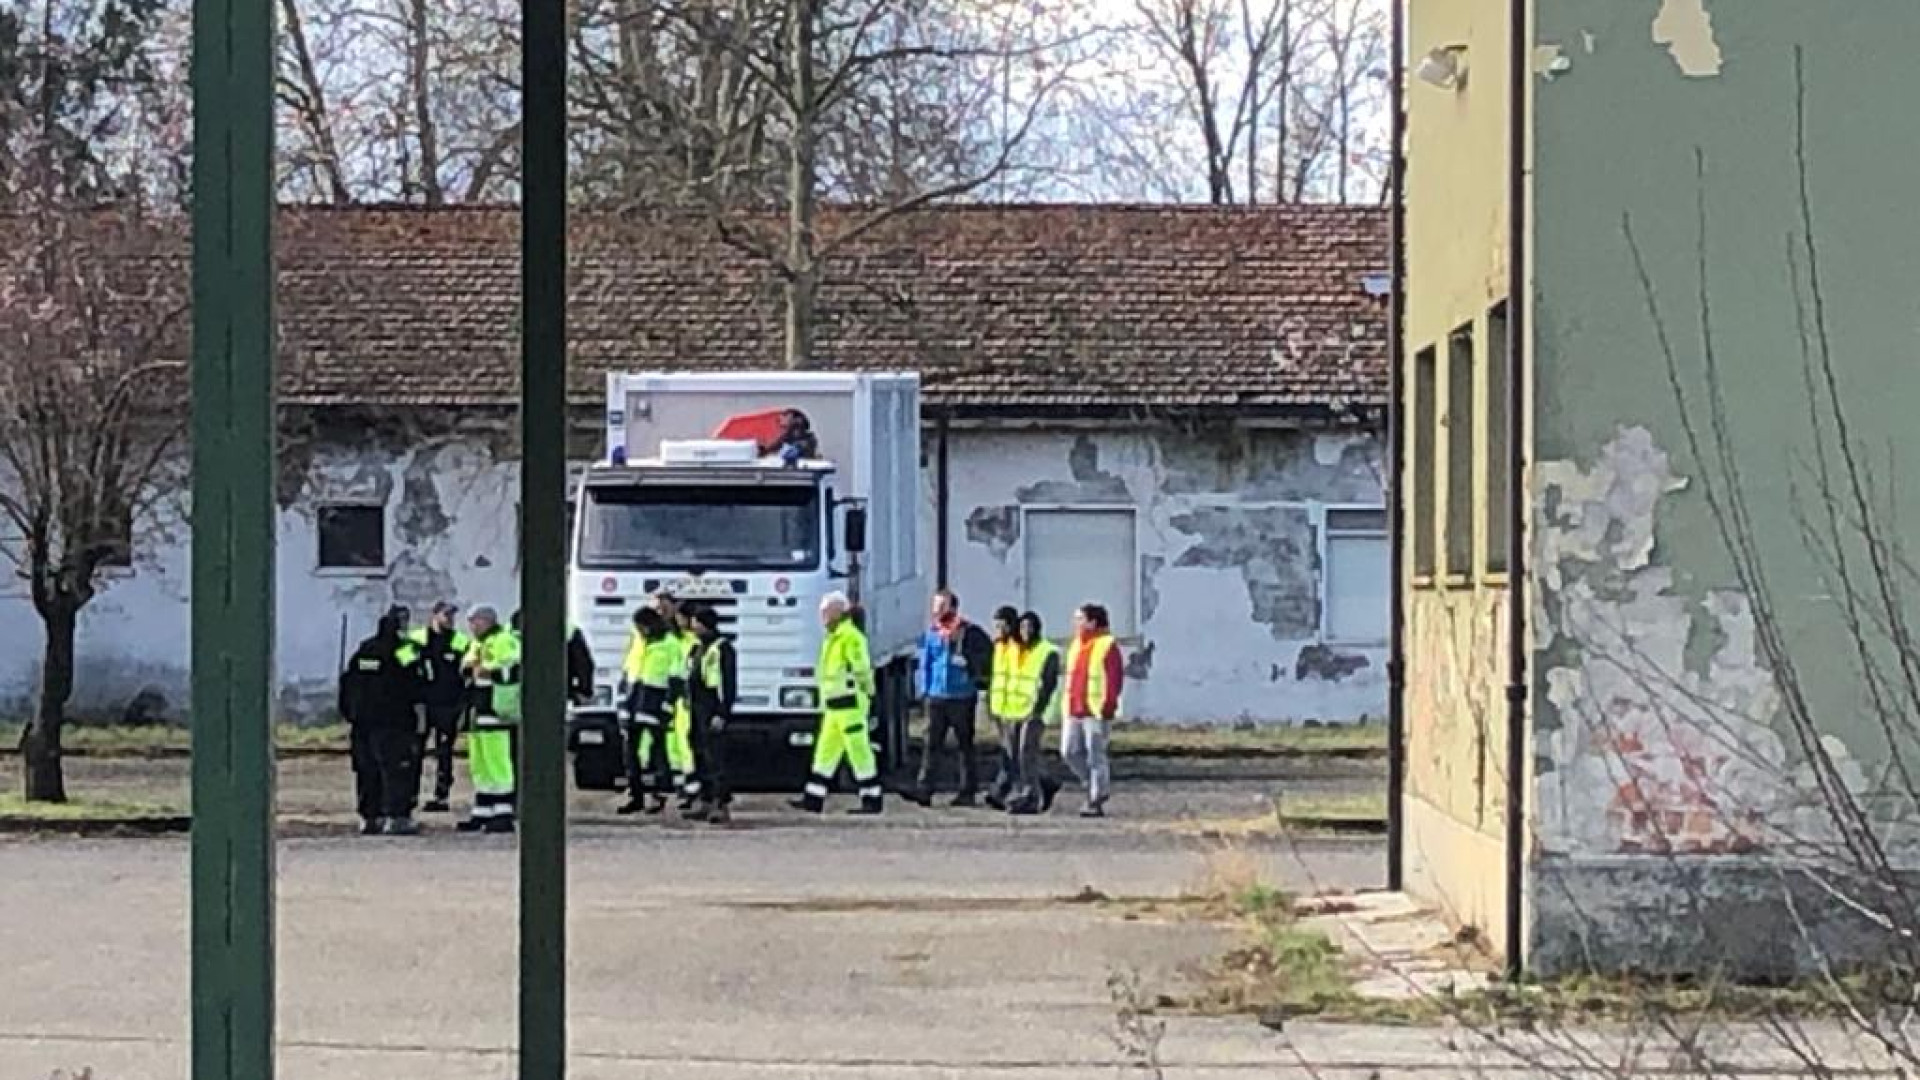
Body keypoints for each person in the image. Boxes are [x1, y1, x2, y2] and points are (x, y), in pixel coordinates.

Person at [794, 591, 884, 815]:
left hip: (850, 704)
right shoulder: (833, 637)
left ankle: (872, 799)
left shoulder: (850, 637)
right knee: (825, 752)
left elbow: (862, 669)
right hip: (834, 706)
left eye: (826, 612)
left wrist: (869, 692)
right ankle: (813, 798)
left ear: (839, 612)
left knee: (859, 752)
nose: (822, 616)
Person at [338, 612, 422, 836]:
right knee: (397, 769)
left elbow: (347, 683)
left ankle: (370, 817)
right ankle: (397, 817)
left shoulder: (365, 649)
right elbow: (417, 680)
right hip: (394, 721)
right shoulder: (404, 650)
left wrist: (350, 713)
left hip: (362, 723)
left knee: (367, 770)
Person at [910, 588, 994, 807]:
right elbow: (926, 663)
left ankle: (967, 790)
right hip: (937, 696)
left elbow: (984, 657)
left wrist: (973, 671)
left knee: (965, 745)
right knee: (931, 744)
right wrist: (925, 690)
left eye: (941, 606)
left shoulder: (969, 632)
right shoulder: (932, 633)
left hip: (962, 696)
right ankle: (924, 789)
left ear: (954, 608)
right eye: (935, 607)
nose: (936, 611)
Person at [458, 606, 521, 834]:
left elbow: (514, 669)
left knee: (498, 763)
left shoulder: (503, 640)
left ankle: (503, 812)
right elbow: (466, 667)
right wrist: (471, 670)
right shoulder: (478, 642)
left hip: (497, 712)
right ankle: (483, 810)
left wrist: (488, 671)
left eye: (474, 622)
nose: (472, 627)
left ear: (486, 621)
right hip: (478, 710)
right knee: (480, 763)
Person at [404, 602, 471, 813]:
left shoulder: (459, 641)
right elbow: (402, 665)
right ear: (434, 616)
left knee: (444, 752)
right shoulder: (416, 639)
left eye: (452, 615)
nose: (450, 619)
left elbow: (469, 669)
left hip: (448, 705)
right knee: (415, 751)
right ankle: (410, 794)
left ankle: (441, 795)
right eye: (446, 615)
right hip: (422, 705)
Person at [1062, 603, 1124, 818]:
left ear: (1092, 622)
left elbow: (1114, 679)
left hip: (1096, 710)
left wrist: (1108, 706)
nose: (1075, 623)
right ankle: (1092, 784)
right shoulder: (1076, 645)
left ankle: (1096, 798)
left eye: (1080, 619)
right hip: (1074, 708)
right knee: (1069, 751)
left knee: (1095, 755)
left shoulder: (1107, 645)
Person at [617, 607, 678, 815]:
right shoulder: (637, 641)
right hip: (633, 702)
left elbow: (677, 679)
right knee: (630, 753)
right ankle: (635, 795)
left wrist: (667, 706)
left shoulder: (670, 644)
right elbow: (627, 671)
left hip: (654, 704)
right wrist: (622, 701)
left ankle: (658, 795)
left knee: (657, 753)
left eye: (641, 626)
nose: (639, 630)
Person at [684, 604, 738, 824]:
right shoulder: (697, 647)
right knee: (699, 754)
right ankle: (704, 801)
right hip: (696, 708)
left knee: (714, 757)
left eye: (695, 622)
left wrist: (723, 713)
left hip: (712, 706)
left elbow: (728, 683)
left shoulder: (722, 648)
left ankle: (720, 803)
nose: (692, 625)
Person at [1007, 611, 1064, 816]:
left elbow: (1048, 685)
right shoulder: (1018, 652)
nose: (1026, 631)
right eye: (1022, 627)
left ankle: (1030, 795)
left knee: (1026, 750)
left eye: (1030, 627)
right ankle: (1046, 783)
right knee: (1018, 752)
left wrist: (1037, 710)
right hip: (1016, 709)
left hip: (1037, 711)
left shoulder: (1047, 652)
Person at [654, 591, 699, 806]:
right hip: (673, 697)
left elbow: (682, 672)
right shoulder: (670, 636)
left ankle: (691, 791)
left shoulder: (691, 641)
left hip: (684, 699)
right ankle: (682, 788)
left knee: (685, 748)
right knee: (674, 747)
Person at [983, 605, 1026, 811]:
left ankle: (1006, 792)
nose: (997, 629)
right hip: (1001, 707)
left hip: (1016, 708)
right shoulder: (999, 646)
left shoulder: (1018, 647)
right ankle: (1003, 791)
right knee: (1007, 753)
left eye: (1001, 625)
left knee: (1014, 755)